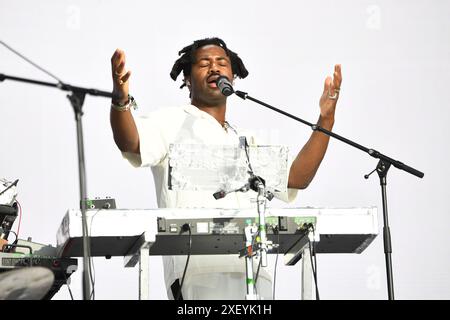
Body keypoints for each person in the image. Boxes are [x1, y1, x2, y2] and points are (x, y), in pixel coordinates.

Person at [110, 37, 342, 300]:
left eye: (222, 63)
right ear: (186, 78)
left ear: (233, 76)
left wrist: (326, 120)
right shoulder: (171, 121)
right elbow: (130, 141)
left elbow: (297, 177)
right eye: (204, 63)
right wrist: (120, 100)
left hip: (253, 275)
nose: (215, 68)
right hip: (196, 274)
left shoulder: (246, 141)